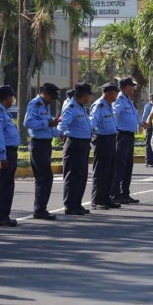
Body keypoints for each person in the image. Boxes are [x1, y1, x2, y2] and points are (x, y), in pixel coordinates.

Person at [23, 83, 60, 220]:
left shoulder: (44, 105)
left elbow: (48, 125)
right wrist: (47, 124)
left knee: (44, 178)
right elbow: (28, 123)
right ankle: (39, 209)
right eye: (52, 97)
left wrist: (57, 131)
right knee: (44, 177)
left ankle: (41, 208)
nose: (53, 100)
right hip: (38, 145)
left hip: (46, 144)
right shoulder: (36, 104)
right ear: (45, 94)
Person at [0, 86, 21, 226]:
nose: (12, 101)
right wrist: (2, 156)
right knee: (1, 185)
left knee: (7, 185)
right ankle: (0, 216)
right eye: (11, 98)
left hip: (10, 151)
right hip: (4, 152)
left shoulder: (3, 112)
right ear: (6, 98)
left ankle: (4, 215)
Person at [57, 82, 93, 215]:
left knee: (82, 175)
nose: (89, 98)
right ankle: (70, 205)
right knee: (73, 175)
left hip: (83, 144)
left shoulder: (81, 106)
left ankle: (77, 203)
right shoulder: (71, 107)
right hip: (74, 144)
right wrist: (59, 133)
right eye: (88, 95)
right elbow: (63, 124)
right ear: (83, 95)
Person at [89, 83, 121, 210]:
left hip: (111, 139)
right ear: (109, 93)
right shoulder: (99, 105)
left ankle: (106, 198)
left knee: (110, 171)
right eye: (116, 92)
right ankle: (97, 200)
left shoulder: (109, 105)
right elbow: (92, 123)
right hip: (101, 140)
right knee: (101, 171)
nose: (117, 95)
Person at [111, 77, 142, 205]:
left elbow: (134, 115)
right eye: (131, 86)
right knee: (120, 166)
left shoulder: (128, 100)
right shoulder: (120, 99)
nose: (133, 88)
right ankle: (116, 194)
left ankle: (125, 193)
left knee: (128, 166)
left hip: (129, 136)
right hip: (122, 136)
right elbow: (114, 113)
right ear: (125, 87)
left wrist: (141, 123)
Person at [142, 92, 153, 167]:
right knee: (149, 145)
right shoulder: (149, 106)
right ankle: (149, 161)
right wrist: (145, 126)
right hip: (150, 127)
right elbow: (144, 116)